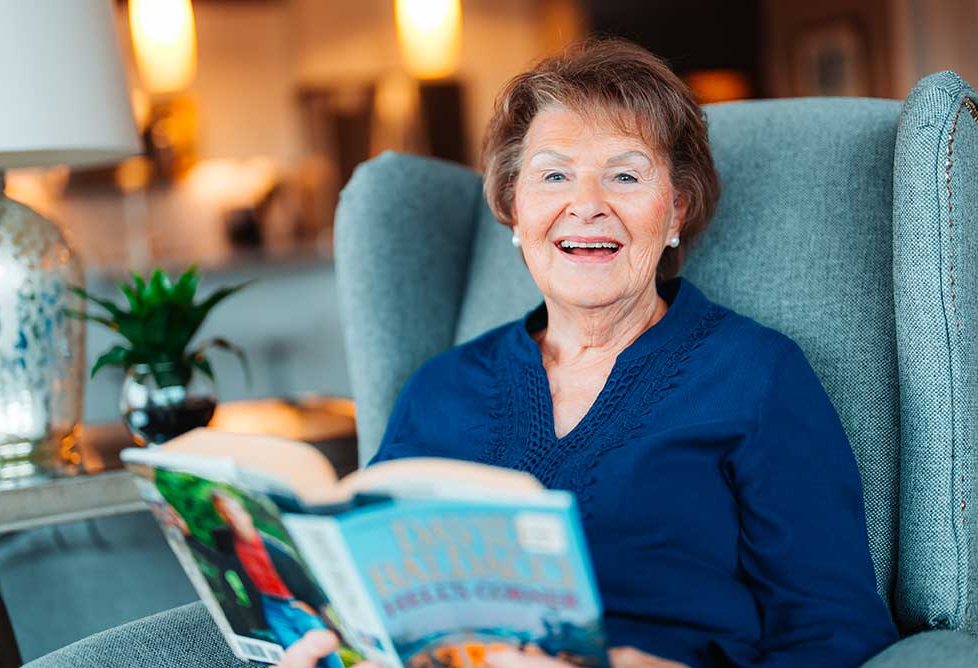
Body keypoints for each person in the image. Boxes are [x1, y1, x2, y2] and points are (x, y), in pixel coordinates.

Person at [275, 38, 898, 668]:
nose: (588, 204)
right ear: (516, 210)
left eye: (625, 175)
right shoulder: (441, 387)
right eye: (553, 175)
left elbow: (837, 634)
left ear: (676, 210)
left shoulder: (755, 375)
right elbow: (362, 592)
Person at [172, 489, 345, 668]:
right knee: (296, 653)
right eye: (224, 513)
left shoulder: (275, 547)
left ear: (245, 513)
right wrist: (188, 536)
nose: (231, 517)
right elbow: (218, 561)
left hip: (297, 604)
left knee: (328, 654)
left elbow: (303, 577)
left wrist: (314, 606)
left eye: (234, 511)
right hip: (271, 607)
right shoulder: (230, 544)